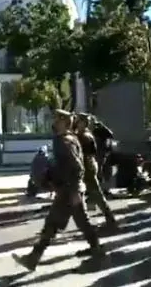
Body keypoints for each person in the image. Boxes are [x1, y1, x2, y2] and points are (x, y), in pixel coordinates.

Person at [12, 109, 105, 271]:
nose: (53, 122)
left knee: (52, 224)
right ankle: (97, 250)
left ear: (62, 121)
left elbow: (76, 166)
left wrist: (74, 190)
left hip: (68, 191)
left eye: (56, 119)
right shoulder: (70, 138)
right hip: (69, 189)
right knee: (82, 222)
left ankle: (33, 259)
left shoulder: (63, 141)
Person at [76, 113, 117, 230]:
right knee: (91, 193)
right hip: (87, 166)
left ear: (83, 123)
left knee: (96, 193)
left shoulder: (85, 136)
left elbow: (87, 153)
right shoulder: (83, 134)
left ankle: (109, 219)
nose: (76, 123)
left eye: (78, 121)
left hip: (87, 167)